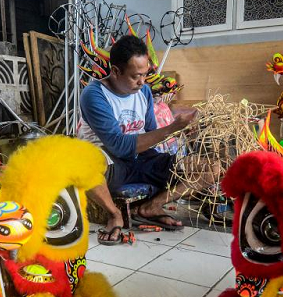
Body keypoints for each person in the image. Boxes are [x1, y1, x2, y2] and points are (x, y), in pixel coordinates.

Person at [77, 35, 197, 244]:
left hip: (142, 158)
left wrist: (183, 133)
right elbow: (120, 146)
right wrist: (170, 129)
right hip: (111, 164)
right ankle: (115, 214)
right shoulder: (94, 95)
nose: (143, 82)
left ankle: (152, 206)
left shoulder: (144, 93)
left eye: (145, 74)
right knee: (83, 164)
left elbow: (151, 133)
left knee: (212, 168)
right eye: (136, 76)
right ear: (115, 71)